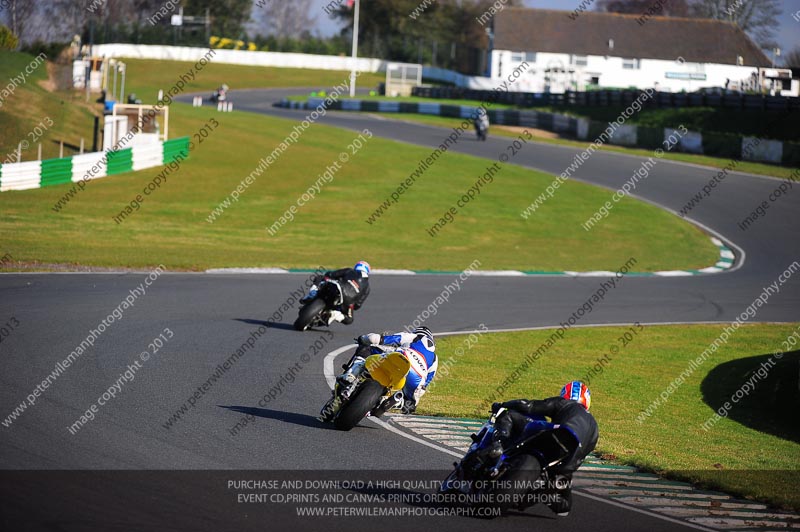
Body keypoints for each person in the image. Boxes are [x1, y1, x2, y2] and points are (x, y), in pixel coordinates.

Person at [491, 381, 598, 517]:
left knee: (509, 414)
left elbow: (527, 405)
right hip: (567, 462)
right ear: (587, 401)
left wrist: (502, 405)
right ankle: (542, 494)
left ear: (565, 395)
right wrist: (566, 471)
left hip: (556, 435)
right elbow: (583, 455)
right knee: (564, 505)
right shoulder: (595, 428)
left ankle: (498, 445)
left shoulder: (565, 403)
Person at [338, 326, 438, 414]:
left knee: (366, 349)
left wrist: (363, 339)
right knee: (409, 406)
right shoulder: (435, 358)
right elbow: (426, 384)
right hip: (418, 377)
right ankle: (395, 401)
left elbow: (378, 339)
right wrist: (414, 398)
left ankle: (351, 375)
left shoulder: (413, 337)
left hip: (402, 357)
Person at [301, 261, 370, 325]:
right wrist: (350, 304)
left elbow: (331, 274)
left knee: (320, 277)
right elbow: (358, 305)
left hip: (338, 287)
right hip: (349, 301)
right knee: (349, 319)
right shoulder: (367, 287)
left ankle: (312, 293)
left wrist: (329, 277)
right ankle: (336, 314)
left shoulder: (349, 270)